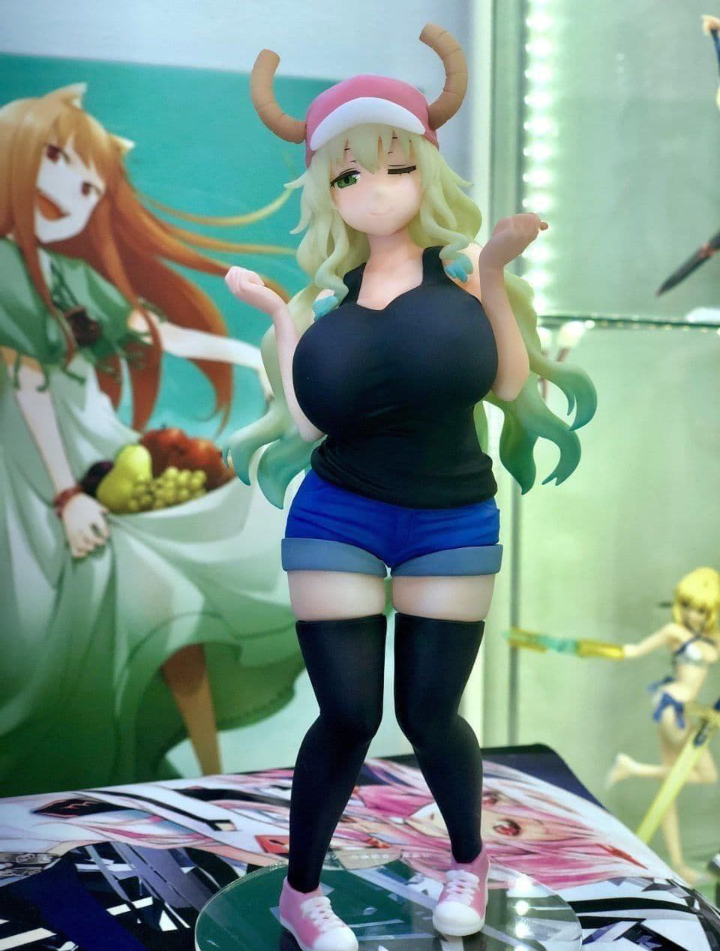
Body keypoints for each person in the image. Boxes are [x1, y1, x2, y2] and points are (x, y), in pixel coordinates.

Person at [223, 23, 596, 949]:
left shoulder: (464, 280)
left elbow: (508, 383)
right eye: (351, 174)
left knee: (430, 712)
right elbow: (309, 423)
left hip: (451, 519)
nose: (376, 189)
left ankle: (468, 860)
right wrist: (278, 318)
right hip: (337, 514)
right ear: (328, 189)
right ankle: (300, 893)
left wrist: (497, 269)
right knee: (348, 713)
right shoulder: (326, 302)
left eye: (395, 166)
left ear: (427, 170)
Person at [0, 82, 307, 797]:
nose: (72, 191)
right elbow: (28, 385)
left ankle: (206, 780)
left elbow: (152, 333)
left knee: (170, 599)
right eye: (55, 159)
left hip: (89, 458)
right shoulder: (6, 267)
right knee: (46, 635)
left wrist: (255, 354)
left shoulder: (73, 275)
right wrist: (68, 496)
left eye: (90, 184)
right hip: (29, 476)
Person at [607, 566, 720, 884]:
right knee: (694, 775)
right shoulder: (675, 632)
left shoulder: (712, 638)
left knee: (672, 787)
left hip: (685, 710)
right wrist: (610, 651)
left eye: (701, 610)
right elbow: (635, 650)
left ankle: (677, 863)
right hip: (671, 709)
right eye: (687, 606)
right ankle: (632, 769)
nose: (692, 615)